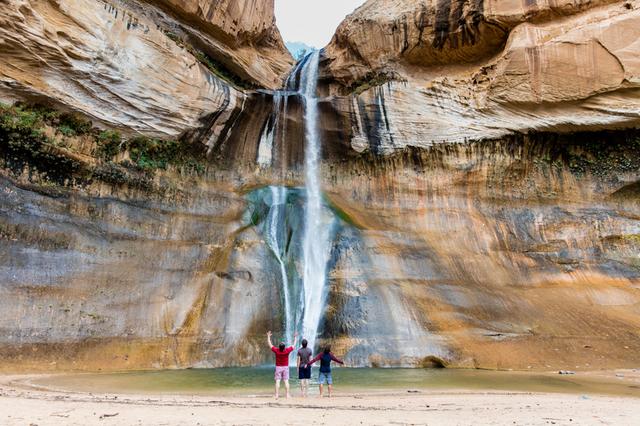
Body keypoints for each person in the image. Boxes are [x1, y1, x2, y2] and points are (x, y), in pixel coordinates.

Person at [267, 330, 297, 399]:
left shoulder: (276, 350)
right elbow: (294, 345)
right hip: (285, 367)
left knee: (277, 381)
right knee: (286, 381)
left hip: (278, 367)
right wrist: (295, 337)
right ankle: (287, 395)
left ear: (279, 347)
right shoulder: (287, 351)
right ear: (284, 347)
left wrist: (268, 336)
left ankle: (277, 395)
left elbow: (270, 345)